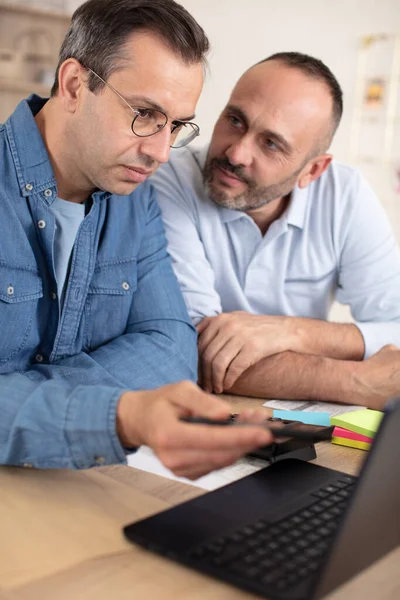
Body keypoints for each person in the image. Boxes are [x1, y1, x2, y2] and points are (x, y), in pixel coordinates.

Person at [0, 0, 273, 475]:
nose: (161, 152)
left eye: (177, 125)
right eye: (145, 113)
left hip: (75, 486)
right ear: (72, 85)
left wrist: (25, 401)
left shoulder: (134, 198)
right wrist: (120, 415)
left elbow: (170, 349)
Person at [152, 52, 400, 409]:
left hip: (299, 420)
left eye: (271, 143)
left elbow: (395, 327)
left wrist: (292, 330)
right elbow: (191, 348)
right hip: (201, 412)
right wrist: (358, 381)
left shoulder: (344, 194)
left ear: (312, 170)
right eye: (235, 120)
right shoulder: (169, 180)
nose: (236, 153)